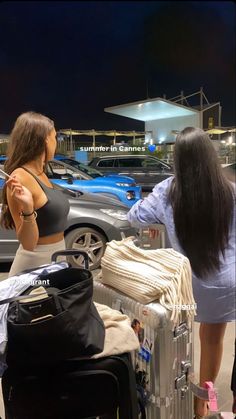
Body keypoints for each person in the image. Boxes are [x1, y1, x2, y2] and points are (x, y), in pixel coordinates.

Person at [127, 127, 236, 418]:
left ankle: (186, 395)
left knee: (181, 337)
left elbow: (134, 216)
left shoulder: (168, 190)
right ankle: (206, 403)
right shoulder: (229, 190)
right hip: (227, 282)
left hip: (189, 284)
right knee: (213, 340)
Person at [0, 112, 70, 277]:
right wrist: (28, 208)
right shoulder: (20, 177)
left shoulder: (41, 172)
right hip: (34, 265)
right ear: (45, 139)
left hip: (57, 258)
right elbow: (28, 243)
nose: (56, 143)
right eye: (54, 137)